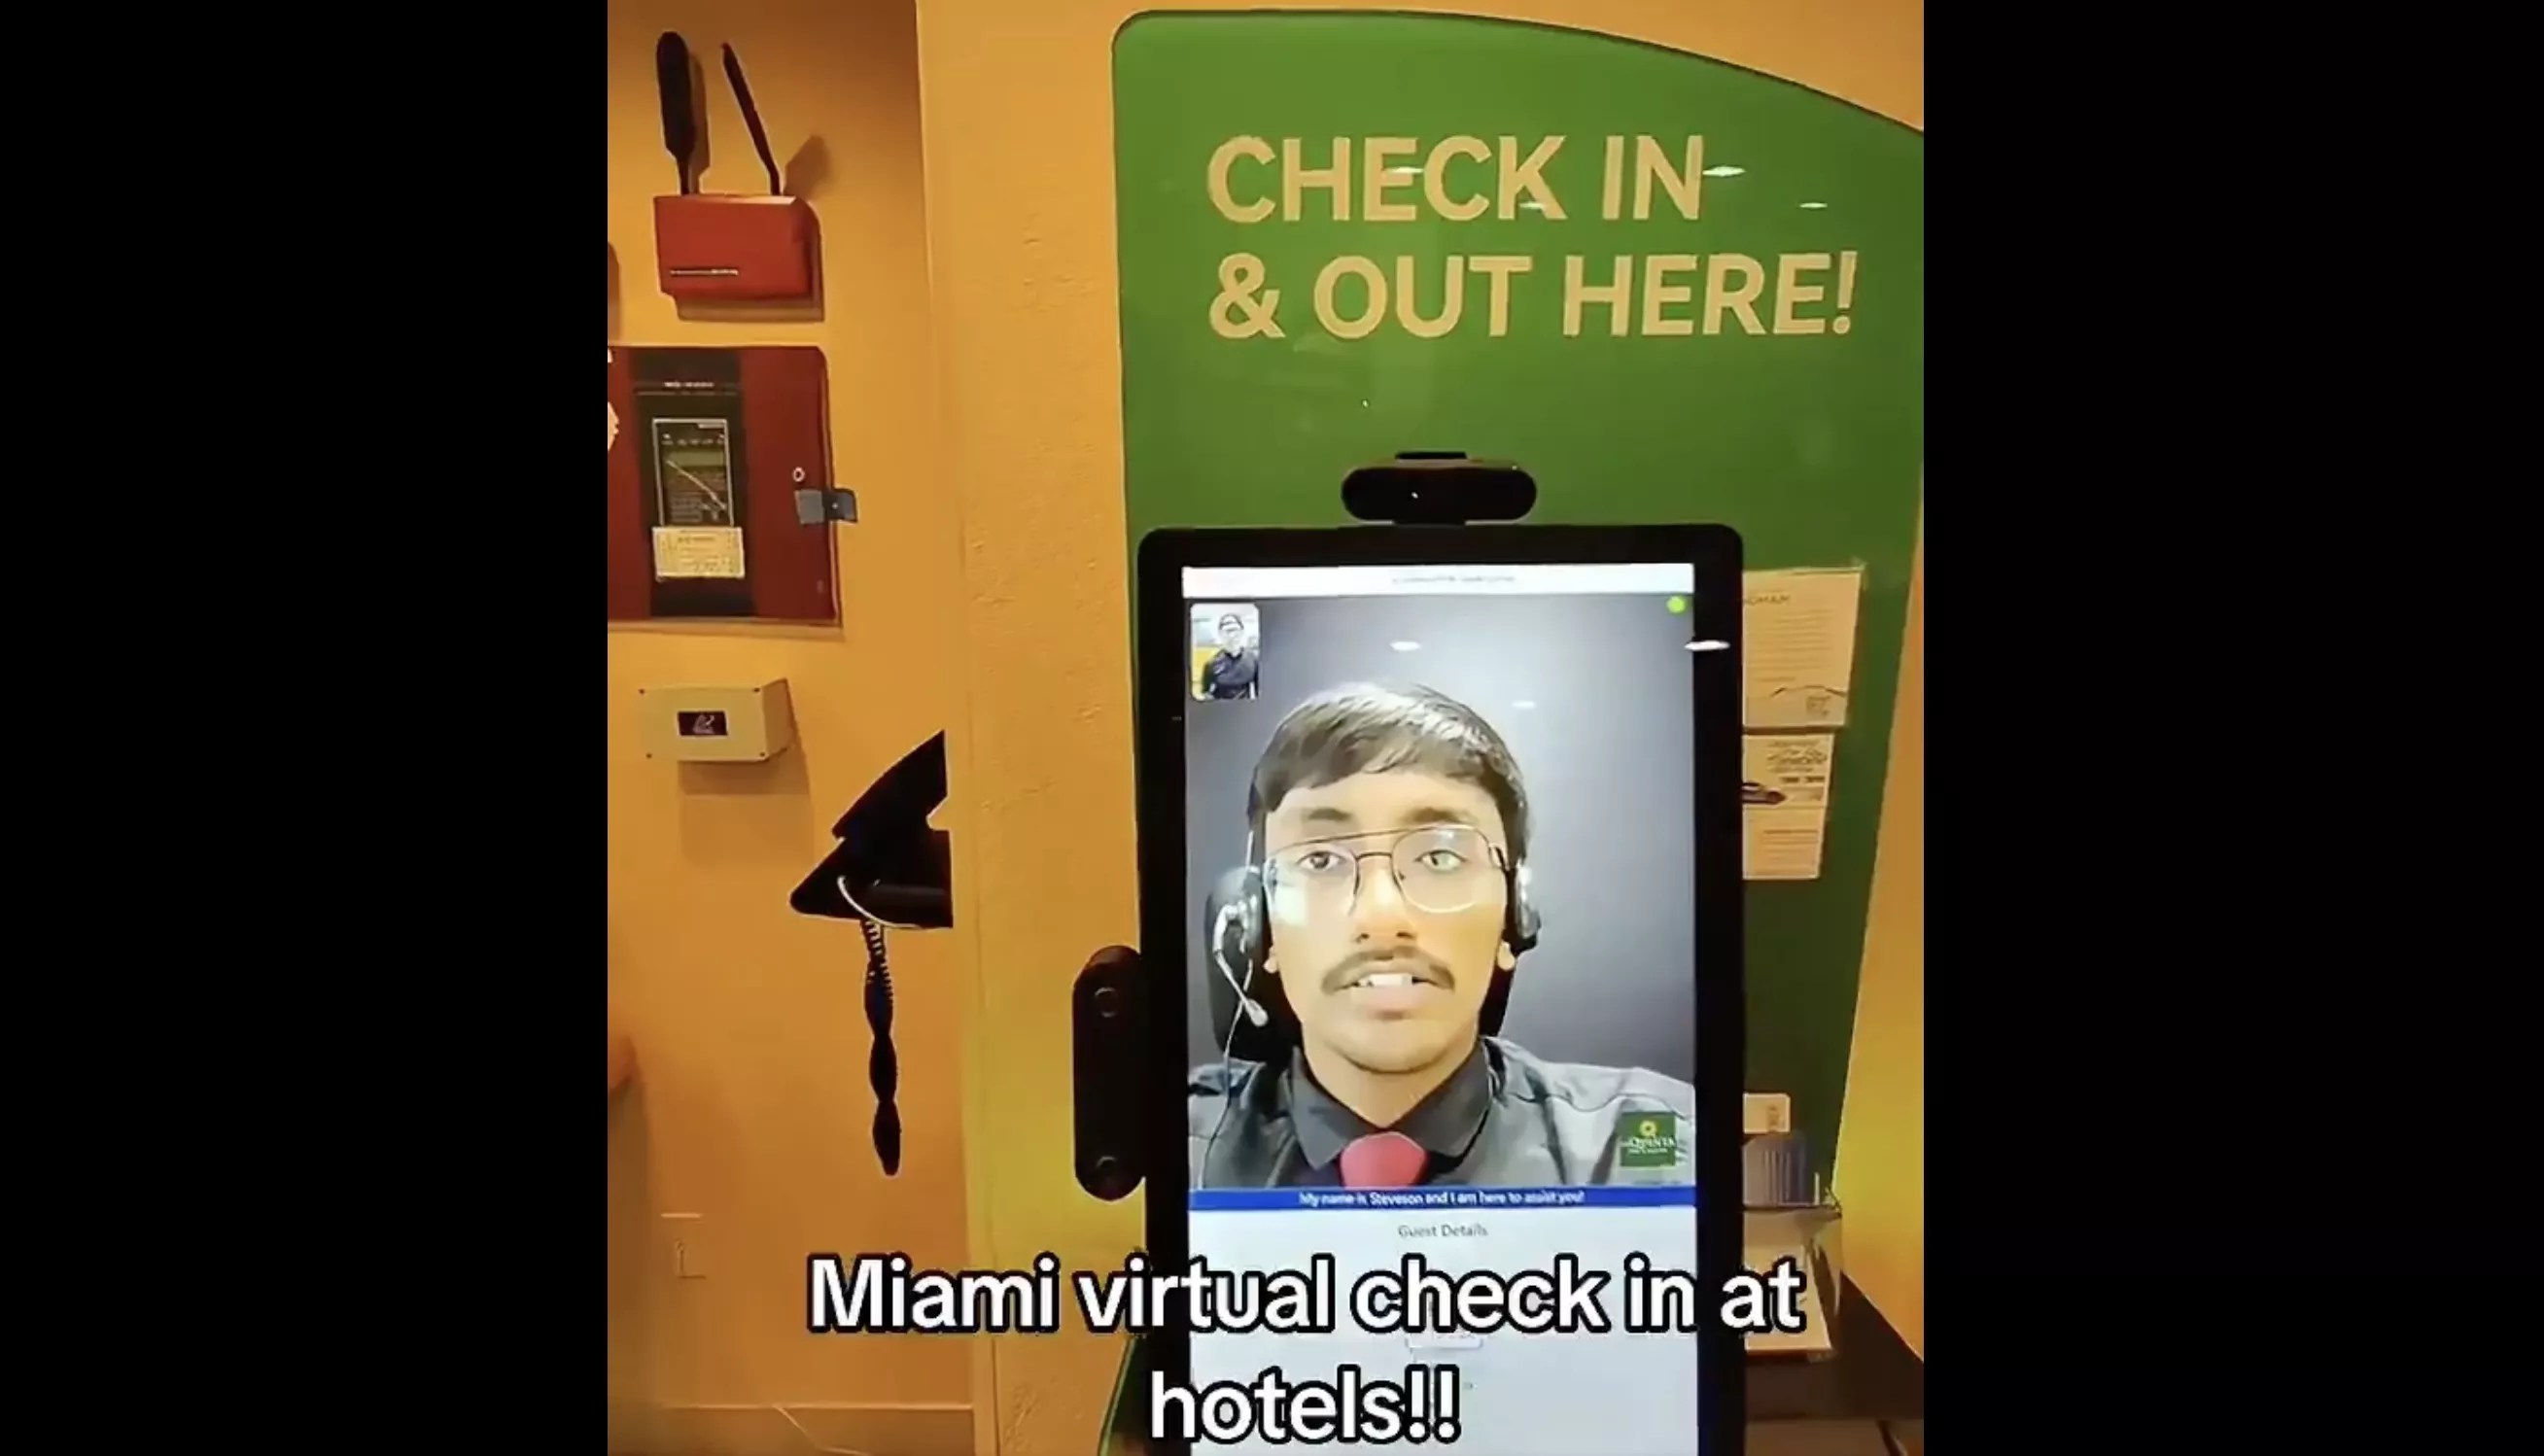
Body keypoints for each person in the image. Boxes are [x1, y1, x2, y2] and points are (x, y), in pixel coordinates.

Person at [1190, 682, 1694, 1188]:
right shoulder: (1171, 1156)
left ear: (1513, 917)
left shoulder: (1651, 1146)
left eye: (1441, 857)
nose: (1382, 915)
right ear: (1259, 924)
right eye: (1320, 860)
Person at [1199, 612, 1259, 700]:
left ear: (1242, 632)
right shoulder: (1211, 664)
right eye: (1227, 631)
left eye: (1235, 630)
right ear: (1220, 634)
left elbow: (1260, 692)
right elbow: (1206, 692)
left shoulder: (1254, 660)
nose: (1232, 636)